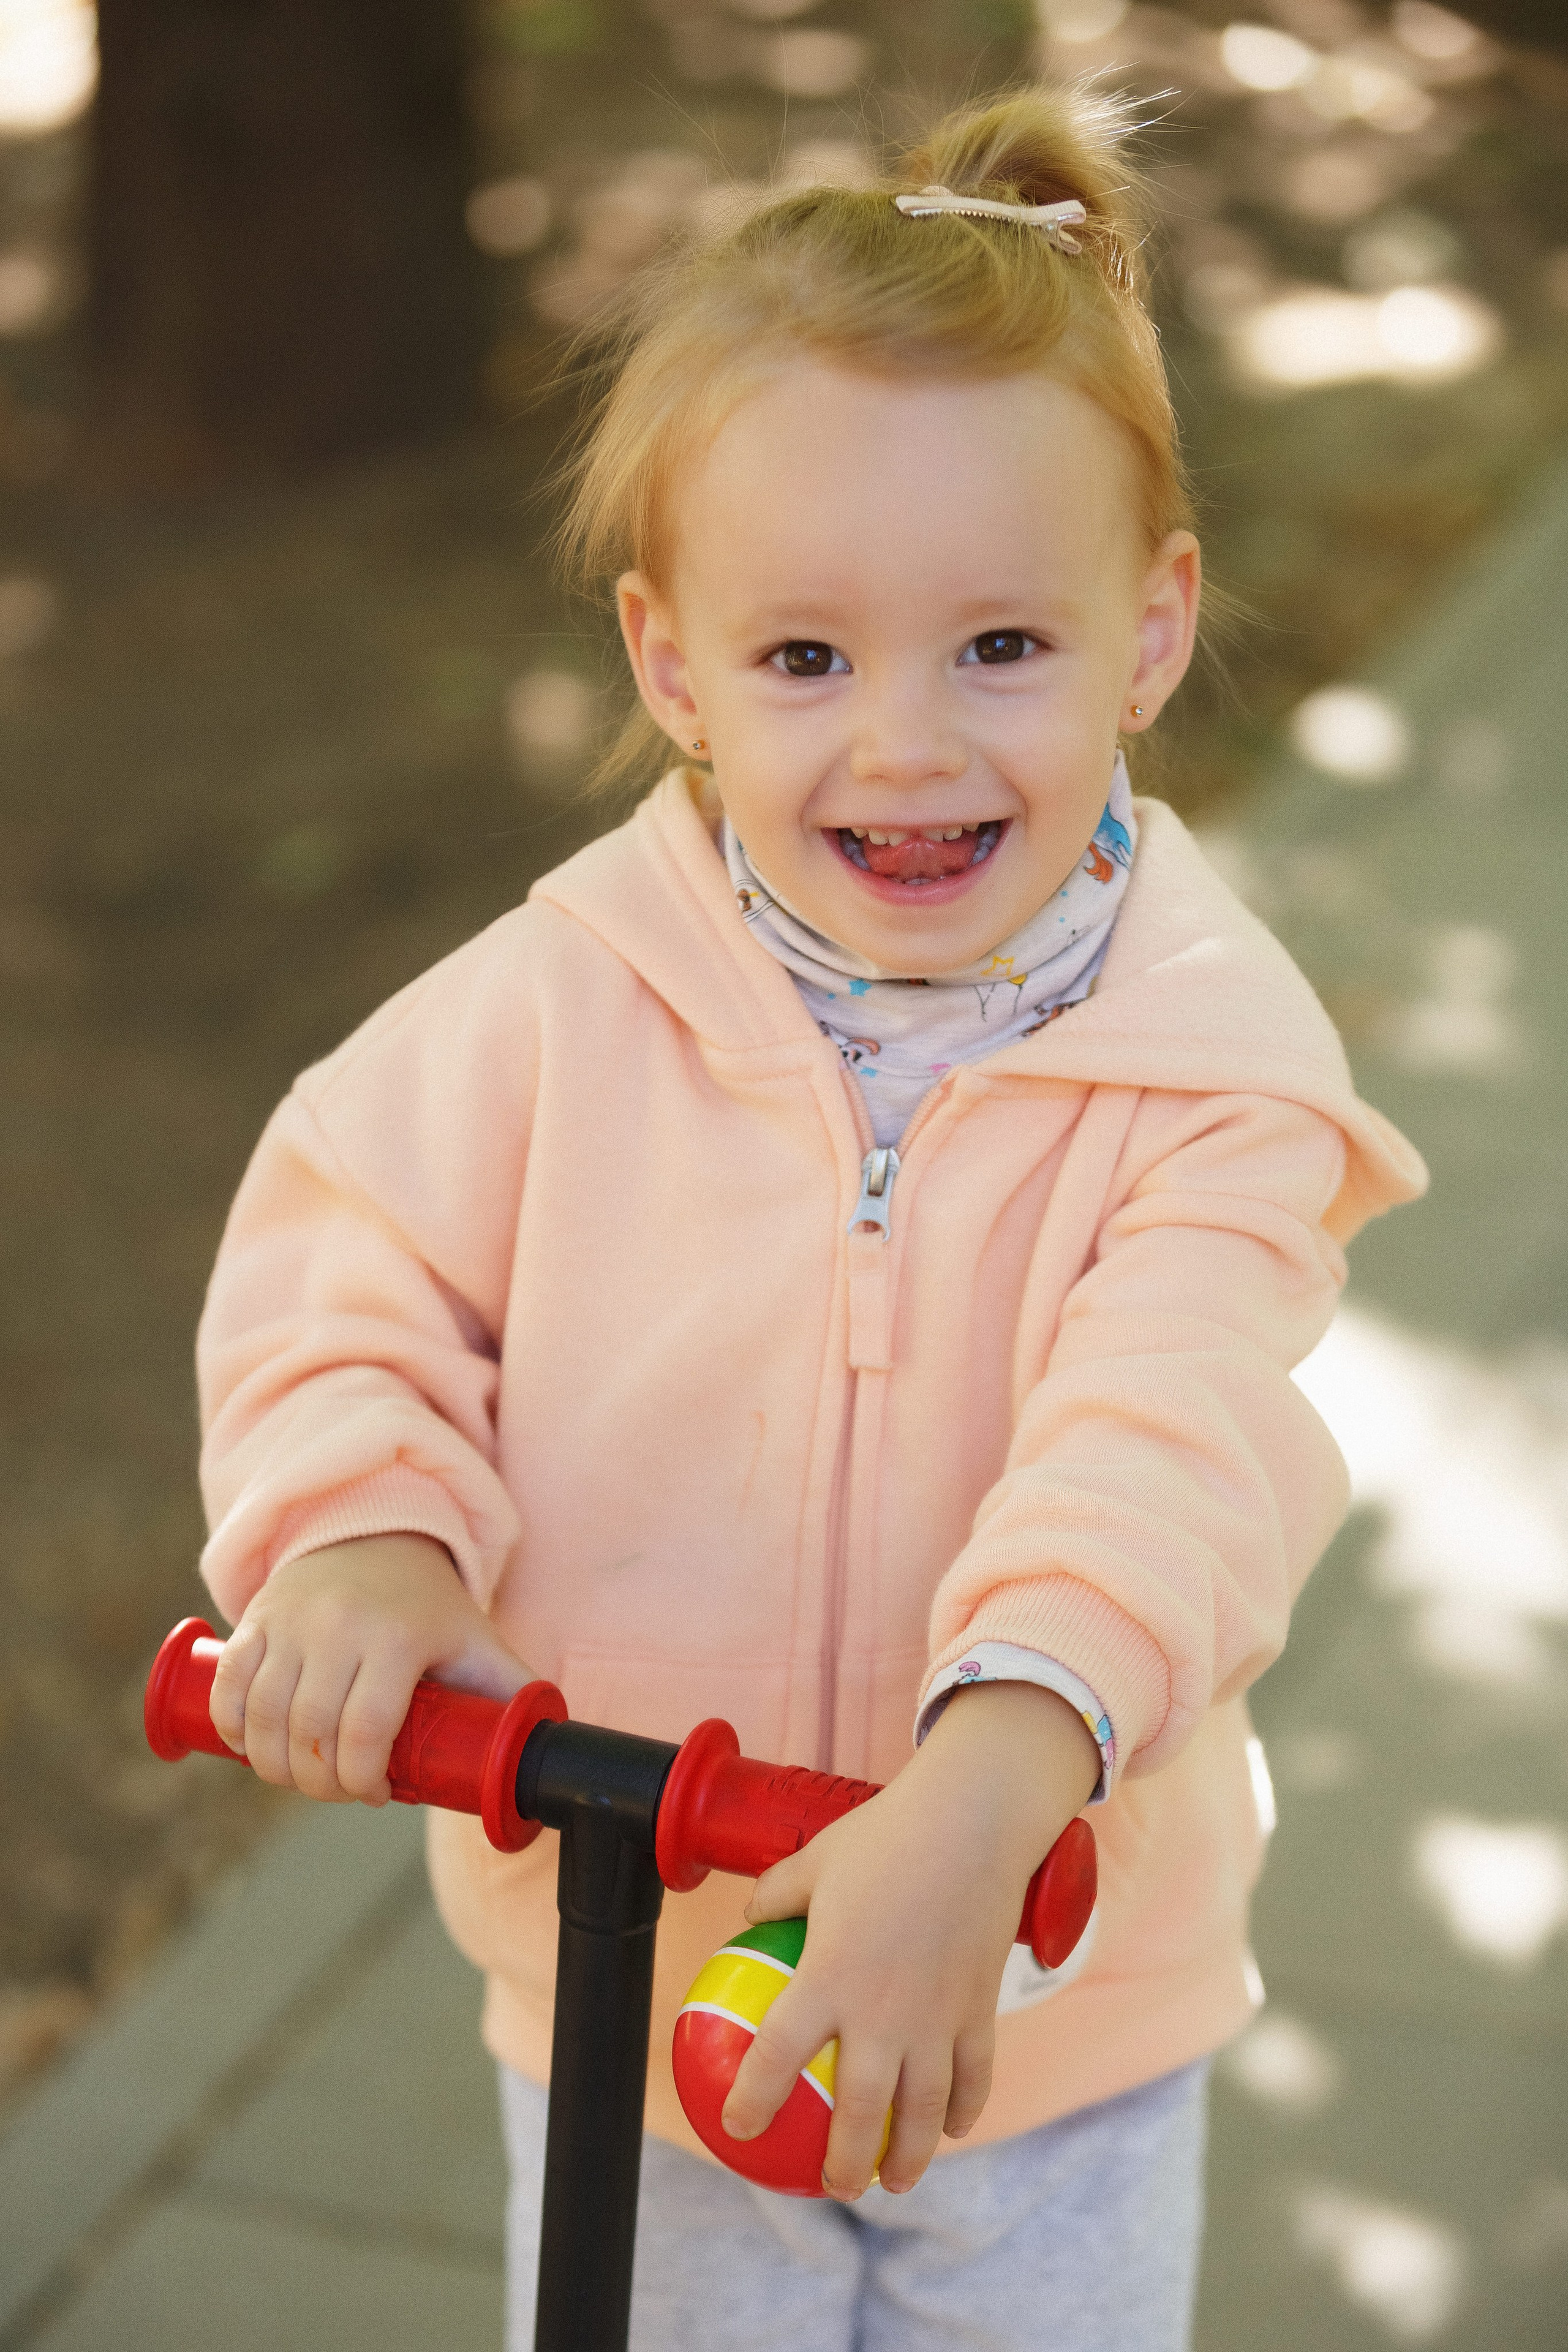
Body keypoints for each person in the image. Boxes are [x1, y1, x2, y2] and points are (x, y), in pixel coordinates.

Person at [195, 84, 1426, 2352]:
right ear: (674, 671)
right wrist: (362, 1531)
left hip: (1047, 2007)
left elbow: (1170, 1440)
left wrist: (990, 1790)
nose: (906, 751)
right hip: (634, 1983)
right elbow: (351, 1257)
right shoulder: (562, 1006)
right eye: (803, 661)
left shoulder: (1214, 1072)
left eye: (999, 649)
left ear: (1147, 635)